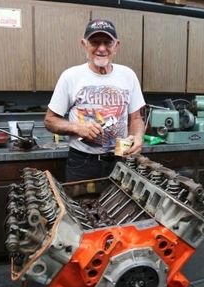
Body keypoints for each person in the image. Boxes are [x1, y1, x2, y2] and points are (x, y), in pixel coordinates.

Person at [44, 19, 145, 181]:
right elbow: (50, 121)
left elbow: (136, 119)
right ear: (84, 44)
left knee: (121, 205)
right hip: (82, 163)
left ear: (116, 45)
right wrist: (77, 128)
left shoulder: (128, 75)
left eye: (107, 42)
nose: (102, 48)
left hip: (120, 160)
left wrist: (138, 137)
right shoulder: (70, 76)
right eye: (95, 42)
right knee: (81, 205)